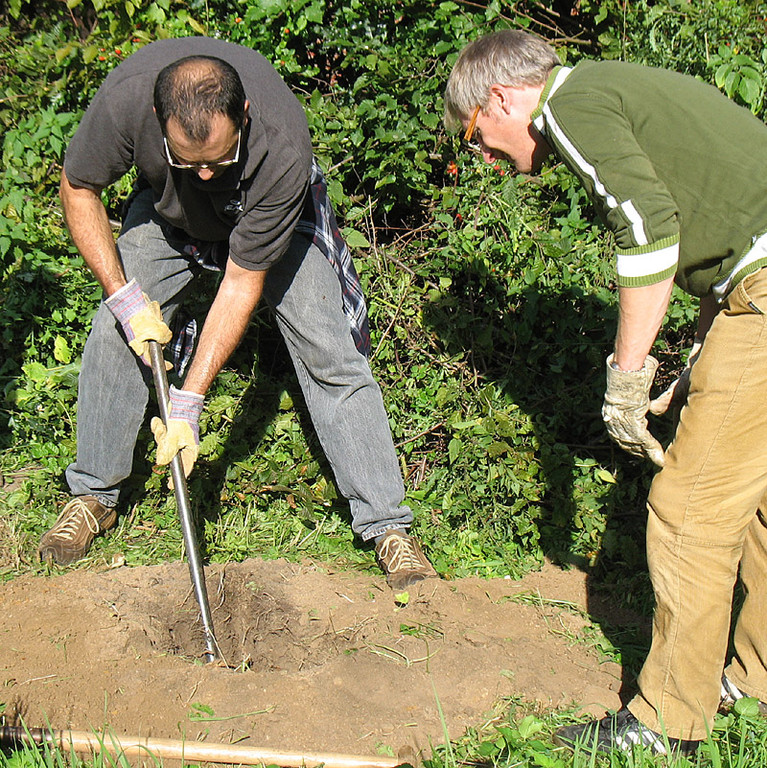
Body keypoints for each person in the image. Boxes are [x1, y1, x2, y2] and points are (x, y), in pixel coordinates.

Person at [445, 29, 767, 756]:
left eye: (476, 137)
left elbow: (648, 231)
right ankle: (755, 687)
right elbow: (725, 227)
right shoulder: (618, 87)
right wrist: (701, 352)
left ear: (500, 97)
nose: (487, 158)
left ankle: (665, 726)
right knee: (757, 508)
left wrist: (627, 378)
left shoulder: (571, 103)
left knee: (688, 513)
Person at [40, 36, 437, 591]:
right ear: (158, 119)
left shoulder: (280, 142)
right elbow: (79, 188)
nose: (206, 174)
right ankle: (92, 495)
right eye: (188, 161)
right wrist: (124, 296)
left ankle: (388, 526)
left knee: (330, 352)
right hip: (169, 219)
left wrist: (189, 401)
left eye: (220, 160)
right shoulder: (127, 100)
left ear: (243, 116)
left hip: (265, 222)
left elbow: (240, 281)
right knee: (113, 332)